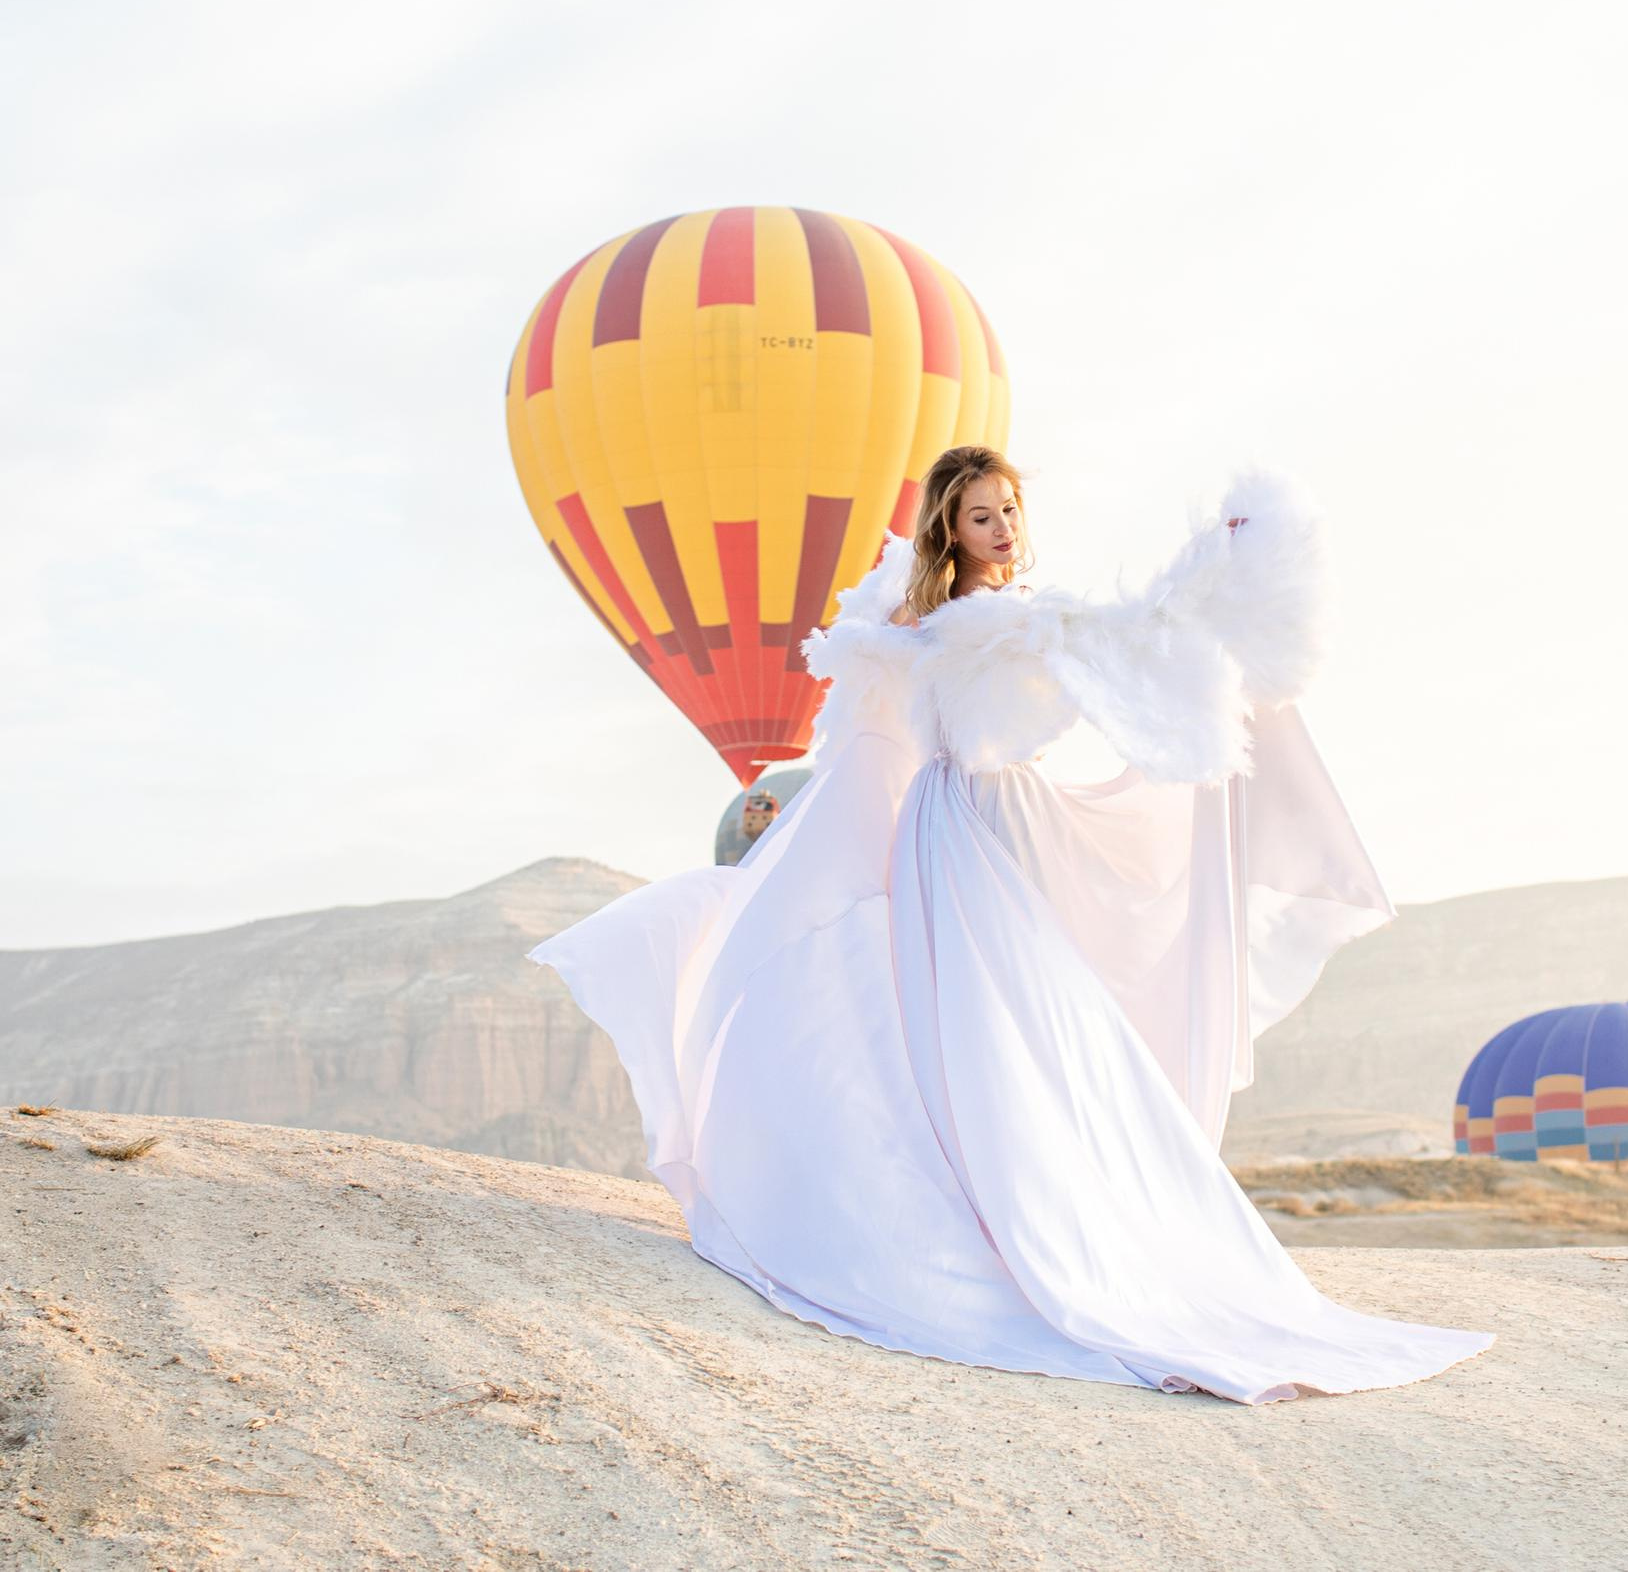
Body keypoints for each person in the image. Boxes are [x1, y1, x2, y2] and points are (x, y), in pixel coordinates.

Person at [528, 446, 1494, 1404]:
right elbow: (880, 703)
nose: (1001, 529)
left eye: (1010, 511)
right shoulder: (932, 617)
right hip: (950, 823)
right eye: (981, 515)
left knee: (1035, 1011)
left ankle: (1058, 1201)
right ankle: (972, 1205)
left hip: (1009, 816)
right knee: (965, 1013)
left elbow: (1132, 630)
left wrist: (1216, 561)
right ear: (950, 525)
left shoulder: (1026, 614)